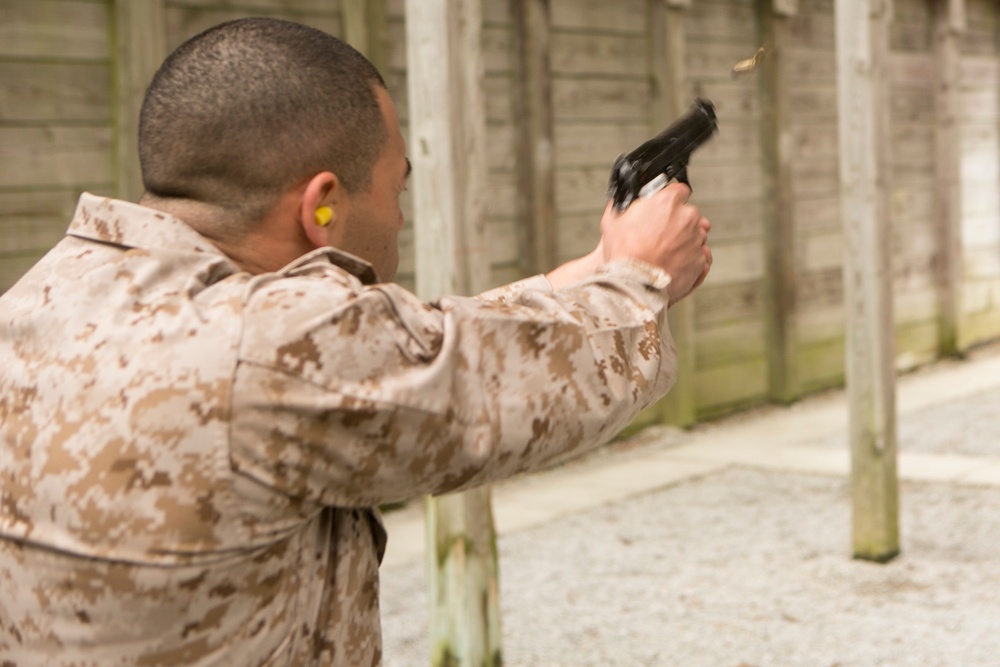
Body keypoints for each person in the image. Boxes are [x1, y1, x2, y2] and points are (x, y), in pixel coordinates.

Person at [0, 16, 712, 667]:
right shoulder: (263, 346)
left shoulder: (44, 297)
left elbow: (411, 349)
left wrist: (589, 272)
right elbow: (484, 387)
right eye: (395, 191)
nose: (400, 218)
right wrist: (640, 278)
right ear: (322, 206)